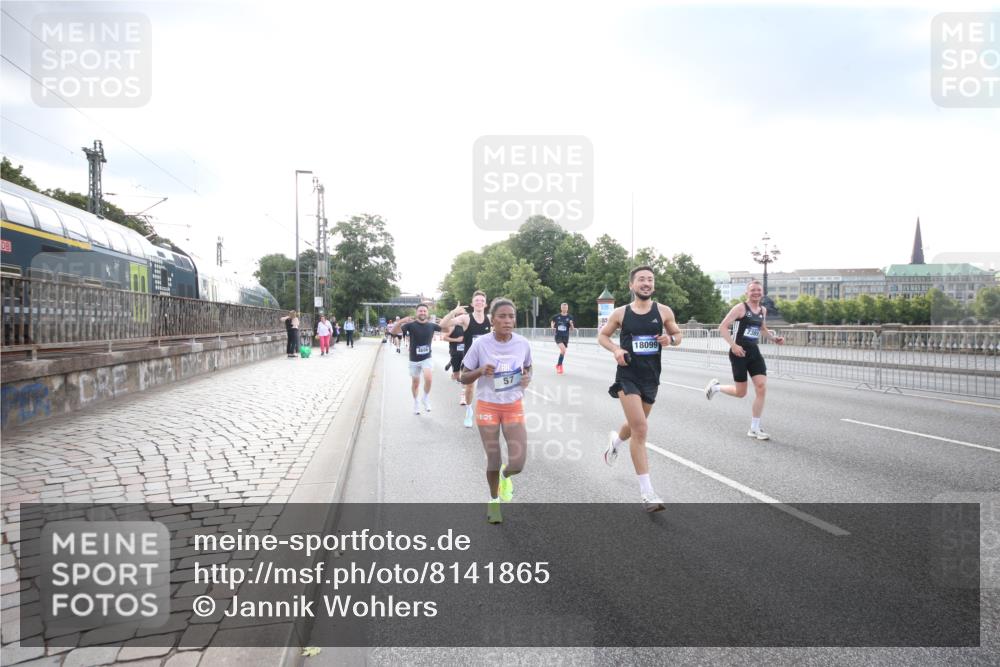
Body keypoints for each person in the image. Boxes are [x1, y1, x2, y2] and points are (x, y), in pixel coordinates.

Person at [598, 266, 683, 513]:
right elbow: (602, 336)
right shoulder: (621, 313)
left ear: (653, 286)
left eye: (650, 280)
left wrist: (672, 340)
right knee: (641, 429)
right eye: (641, 280)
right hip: (628, 376)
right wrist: (616, 350)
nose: (646, 283)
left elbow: (678, 334)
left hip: (651, 378)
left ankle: (616, 440)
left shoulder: (664, 311)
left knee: (636, 424)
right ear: (631, 286)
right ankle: (647, 493)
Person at [461, 298, 532, 524]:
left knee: (518, 463)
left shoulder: (522, 344)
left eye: (511, 316)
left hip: (513, 405)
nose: (508, 320)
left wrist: (527, 378)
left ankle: (505, 476)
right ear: (492, 320)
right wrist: (481, 370)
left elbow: (528, 367)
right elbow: (463, 375)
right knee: (493, 458)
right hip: (488, 405)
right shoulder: (481, 344)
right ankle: (493, 501)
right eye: (502, 316)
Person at [704, 279, 785, 440]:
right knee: (741, 393)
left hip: (754, 352)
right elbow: (723, 327)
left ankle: (754, 428)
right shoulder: (740, 308)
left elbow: (761, 328)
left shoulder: (762, 310)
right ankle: (716, 388)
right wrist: (733, 346)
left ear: (762, 293)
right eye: (753, 290)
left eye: (758, 290)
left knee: (761, 387)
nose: (756, 293)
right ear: (747, 293)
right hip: (739, 352)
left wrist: (773, 338)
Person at [441, 291, 491, 428]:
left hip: (486, 358)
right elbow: (443, 324)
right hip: (470, 359)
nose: (479, 302)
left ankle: (487, 413)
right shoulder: (465, 318)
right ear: (472, 303)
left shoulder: (490, 319)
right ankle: (469, 410)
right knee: (469, 387)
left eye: (482, 300)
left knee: (490, 387)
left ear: (485, 304)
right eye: (477, 300)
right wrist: (453, 312)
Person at [392, 304, 441, 414]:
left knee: (429, 378)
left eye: (424, 311)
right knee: (415, 383)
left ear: (427, 313)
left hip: (427, 357)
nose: (422, 313)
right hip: (414, 359)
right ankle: (416, 402)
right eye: (420, 311)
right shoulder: (410, 325)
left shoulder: (432, 325)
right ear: (416, 312)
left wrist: (448, 317)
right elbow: (394, 332)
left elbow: (447, 328)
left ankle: (425, 398)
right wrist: (400, 322)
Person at [442, 319, 467, 400]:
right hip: (455, 352)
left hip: (466, 352)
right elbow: (444, 338)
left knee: (465, 372)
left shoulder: (468, 326)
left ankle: (464, 393)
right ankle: (452, 365)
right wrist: (456, 340)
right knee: (456, 375)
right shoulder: (453, 327)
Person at [550, 302, 576, 374]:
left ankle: (558, 364)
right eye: (563, 307)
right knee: (563, 350)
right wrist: (552, 327)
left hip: (565, 336)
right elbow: (552, 321)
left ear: (567, 308)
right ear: (561, 308)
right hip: (558, 336)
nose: (565, 309)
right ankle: (560, 366)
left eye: (566, 308)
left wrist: (571, 325)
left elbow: (572, 329)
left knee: (563, 351)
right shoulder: (557, 316)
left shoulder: (570, 317)